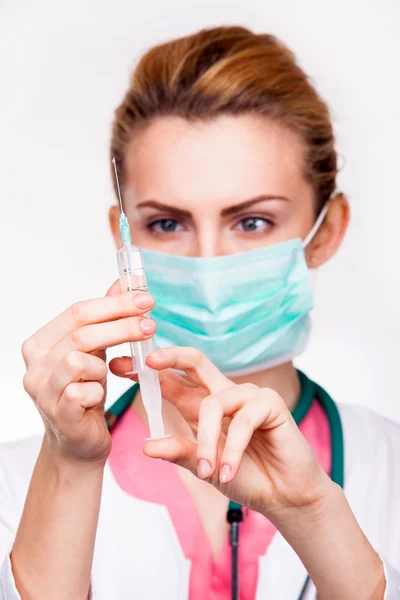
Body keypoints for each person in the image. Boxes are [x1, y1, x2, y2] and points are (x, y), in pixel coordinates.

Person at [1, 25, 400, 600]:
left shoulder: (389, 471)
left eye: (252, 221)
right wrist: (71, 468)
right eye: (167, 224)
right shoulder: (15, 487)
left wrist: (316, 518)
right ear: (126, 241)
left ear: (325, 232)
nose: (209, 264)